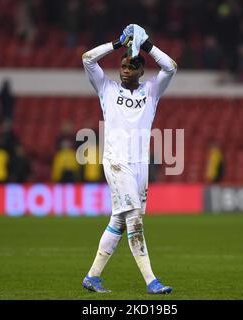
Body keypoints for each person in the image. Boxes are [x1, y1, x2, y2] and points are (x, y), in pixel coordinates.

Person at [81, 24, 177, 294]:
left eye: (133, 65)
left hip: (139, 166)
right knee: (135, 218)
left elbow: (170, 67)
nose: (126, 68)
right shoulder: (106, 88)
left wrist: (146, 45)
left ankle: (92, 276)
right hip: (116, 161)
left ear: (141, 72)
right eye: (123, 64)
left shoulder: (151, 92)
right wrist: (117, 44)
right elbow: (87, 58)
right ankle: (151, 281)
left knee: (120, 221)